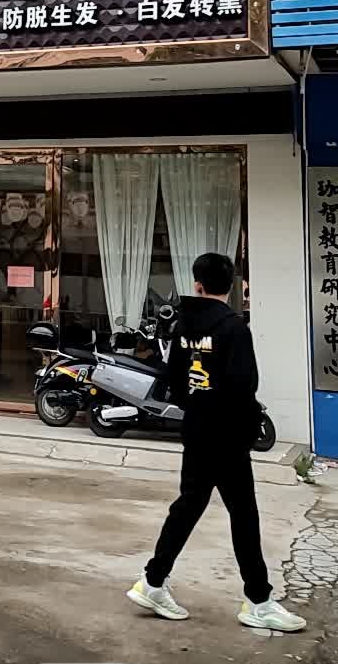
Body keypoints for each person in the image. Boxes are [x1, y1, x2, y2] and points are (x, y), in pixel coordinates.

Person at [127, 252, 306, 633]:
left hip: (196, 431)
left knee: (188, 507)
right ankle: (258, 601)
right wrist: (246, 429)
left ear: (197, 285)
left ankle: (153, 582)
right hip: (227, 438)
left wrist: (198, 406)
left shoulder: (183, 325)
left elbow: (175, 382)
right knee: (244, 516)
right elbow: (245, 385)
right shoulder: (233, 327)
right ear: (232, 286)